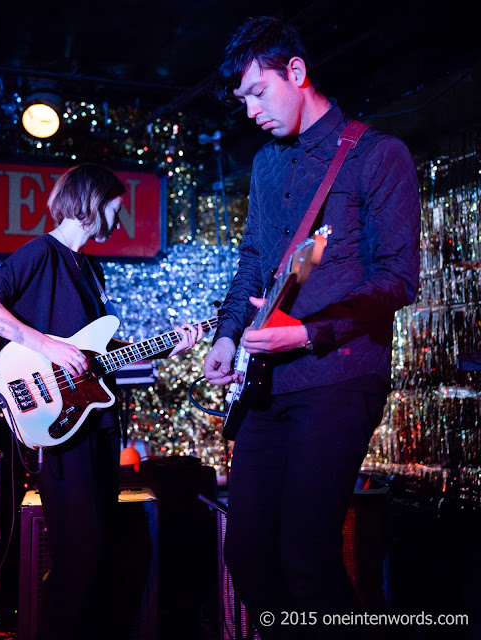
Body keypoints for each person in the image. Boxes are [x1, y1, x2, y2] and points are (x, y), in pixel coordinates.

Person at [204, 16, 420, 639]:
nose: (249, 111)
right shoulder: (269, 167)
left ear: (296, 73)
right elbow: (253, 263)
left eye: (257, 92)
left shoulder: (378, 155)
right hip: (269, 384)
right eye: (241, 100)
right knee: (246, 554)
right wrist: (224, 337)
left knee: (306, 555)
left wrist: (306, 335)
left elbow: (398, 281)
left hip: (338, 377)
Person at [0, 163, 202, 640]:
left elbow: (96, 358)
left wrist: (167, 344)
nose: (119, 218)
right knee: (82, 552)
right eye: (116, 206)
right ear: (94, 201)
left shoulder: (92, 268)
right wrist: (47, 346)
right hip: (58, 428)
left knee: (102, 552)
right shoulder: (40, 253)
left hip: (94, 426)